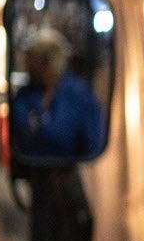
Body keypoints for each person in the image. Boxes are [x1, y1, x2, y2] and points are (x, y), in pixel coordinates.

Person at [10, 27, 105, 159]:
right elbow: (18, 131)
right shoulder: (25, 94)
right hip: (32, 171)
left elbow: (91, 145)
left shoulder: (79, 96)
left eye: (31, 61)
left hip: (69, 173)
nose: (27, 67)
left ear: (46, 62)